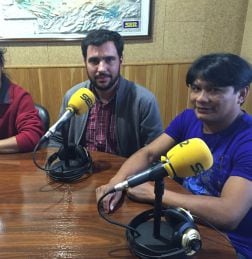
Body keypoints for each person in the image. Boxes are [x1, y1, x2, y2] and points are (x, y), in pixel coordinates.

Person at [96, 53, 252, 258]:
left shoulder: (247, 141)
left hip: (229, 243)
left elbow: (228, 214)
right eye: (196, 88)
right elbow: (149, 152)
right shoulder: (188, 118)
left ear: (241, 94)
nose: (201, 98)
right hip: (180, 221)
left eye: (214, 90)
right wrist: (115, 183)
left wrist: (155, 194)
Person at [49, 29, 163, 157]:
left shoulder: (144, 101)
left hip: (126, 175)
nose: (101, 68)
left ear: (121, 60)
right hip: (80, 173)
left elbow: (155, 151)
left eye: (109, 60)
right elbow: (56, 140)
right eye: (94, 61)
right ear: (85, 62)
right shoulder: (72, 96)